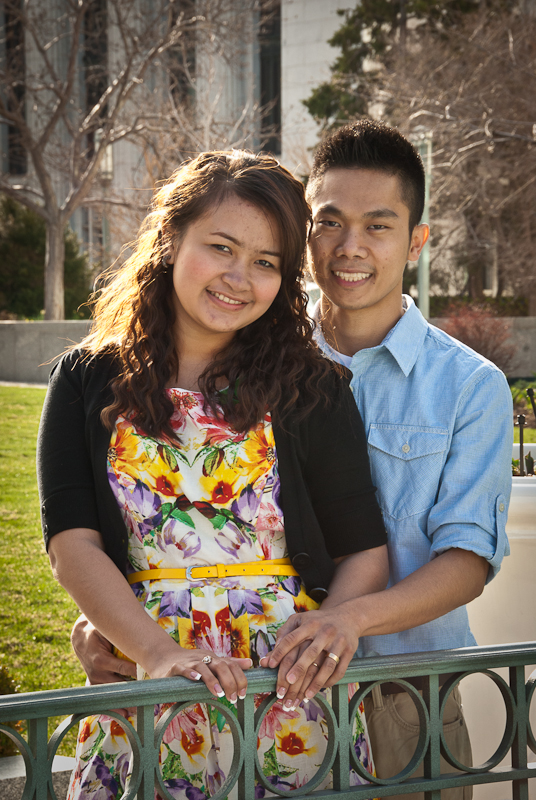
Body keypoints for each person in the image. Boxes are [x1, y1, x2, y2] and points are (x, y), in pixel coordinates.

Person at [37, 150, 389, 799]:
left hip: (288, 693)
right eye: (221, 247)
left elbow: (363, 548)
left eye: (265, 262)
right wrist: (155, 652)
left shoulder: (313, 388)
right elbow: (71, 544)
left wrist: (330, 629)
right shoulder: (86, 379)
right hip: (148, 683)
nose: (238, 278)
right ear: (171, 239)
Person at [257, 120, 513, 800]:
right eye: (329, 222)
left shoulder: (469, 386)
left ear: (416, 241)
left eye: (378, 226)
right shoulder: (253, 367)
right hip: (266, 693)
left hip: (406, 699)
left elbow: (467, 561)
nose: (350, 247)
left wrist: (350, 619)